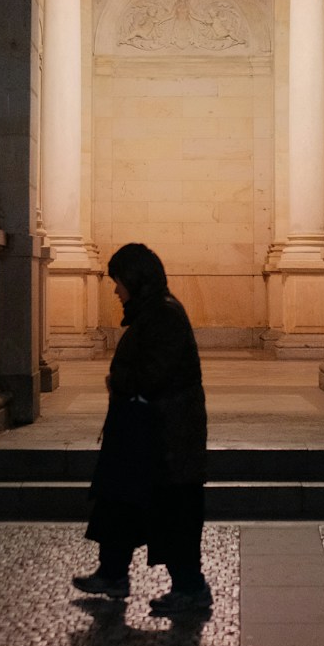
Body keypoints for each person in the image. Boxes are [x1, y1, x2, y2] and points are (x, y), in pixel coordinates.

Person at [72, 243, 211, 615]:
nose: (116, 291)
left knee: (174, 512)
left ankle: (190, 588)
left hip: (166, 437)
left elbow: (152, 375)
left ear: (135, 280)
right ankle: (113, 573)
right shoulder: (152, 312)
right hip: (148, 433)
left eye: (118, 282)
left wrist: (120, 379)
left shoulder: (163, 315)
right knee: (120, 503)